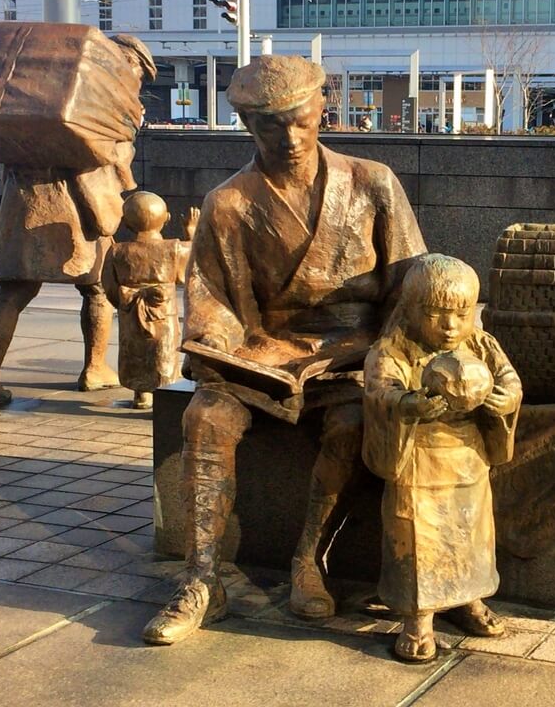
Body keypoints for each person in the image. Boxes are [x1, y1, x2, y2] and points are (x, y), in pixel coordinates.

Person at [142, 54, 426, 646]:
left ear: (323, 107)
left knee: (352, 424)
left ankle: (308, 559)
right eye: (271, 127)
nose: (290, 138)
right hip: (264, 353)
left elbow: (410, 285)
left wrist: (382, 351)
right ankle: (201, 578)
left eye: (300, 120)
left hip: (350, 354)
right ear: (249, 126)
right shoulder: (230, 202)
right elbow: (212, 296)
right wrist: (218, 341)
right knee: (205, 416)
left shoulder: (372, 182)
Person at [0, 34, 157, 409]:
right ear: (128, 63)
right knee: (96, 288)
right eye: (140, 70)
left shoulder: (37, 94)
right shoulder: (99, 96)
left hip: (23, 201)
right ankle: (94, 368)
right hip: (80, 206)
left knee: (12, 293)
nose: (139, 79)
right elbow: (108, 159)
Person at [362, 254, 522, 663]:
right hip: (417, 461)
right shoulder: (392, 350)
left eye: (461, 313)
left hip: (468, 460)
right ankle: (418, 618)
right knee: (417, 540)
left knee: (470, 535)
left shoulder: (481, 344)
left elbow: (509, 379)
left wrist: (505, 398)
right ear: (411, 311)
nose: (450, 326)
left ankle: (469, 600)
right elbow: (380, 391)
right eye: (435, 314)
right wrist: (408, 403)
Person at [101, 192, 198, 410]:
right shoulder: (173, 248)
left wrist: (122, 303)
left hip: (130, 313)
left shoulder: (116, 251)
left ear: (125, 222)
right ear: (167, 218)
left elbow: (108, 285)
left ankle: (141, 395)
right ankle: (163, 397)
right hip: (163, 315)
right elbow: (195, 260)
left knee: (134, 351)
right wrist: (191, 232)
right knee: (163, 352)